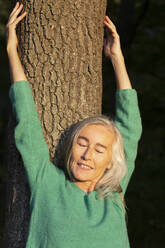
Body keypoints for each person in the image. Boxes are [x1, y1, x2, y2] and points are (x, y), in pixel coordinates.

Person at [6, 2, 142, 248]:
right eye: (82, 143)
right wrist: (12, 51)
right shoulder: (48, 183)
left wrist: (116, 58)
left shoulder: (113, 196)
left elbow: (131, 127)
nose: (87, 155)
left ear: (112, 161)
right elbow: (27, 121)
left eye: (100, 149)